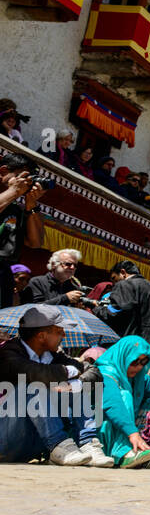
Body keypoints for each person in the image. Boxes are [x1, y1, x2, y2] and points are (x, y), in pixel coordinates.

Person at [0, 304, 108, 465]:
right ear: (42, 336)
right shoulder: (8, 354)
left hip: (33, 442)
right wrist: (69, 371)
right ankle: (58, 443)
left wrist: (76, 383)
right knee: (33, 385)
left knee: (75, 386)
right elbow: (36, 373)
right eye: (59, 331)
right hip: (6, 439)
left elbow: (93, 372)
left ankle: (88, 443)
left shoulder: (53, 355)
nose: (64, 335)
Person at [93, 334, 150, 468]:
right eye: (134, 362)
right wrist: (132, 433)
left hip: (130, 433)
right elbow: (113, 405)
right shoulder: (105, 374)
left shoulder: (139, 378)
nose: (138, 367)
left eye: (143, 362)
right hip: (100, 431)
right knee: (125, 396)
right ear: (124, 357)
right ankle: (123, 452)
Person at [0, 153, 47, 308]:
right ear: (4, 171)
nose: (26, 183)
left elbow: (35, 242)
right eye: (22, 176)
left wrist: (32, 204)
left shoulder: (16, 209)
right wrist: (13, 191)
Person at [92, 260, 150, 351]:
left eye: (114, 279)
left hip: (131, 348)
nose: (114, 284)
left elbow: (113, 314)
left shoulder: (125, 285)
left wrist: (97, 308)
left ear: (123, 273)